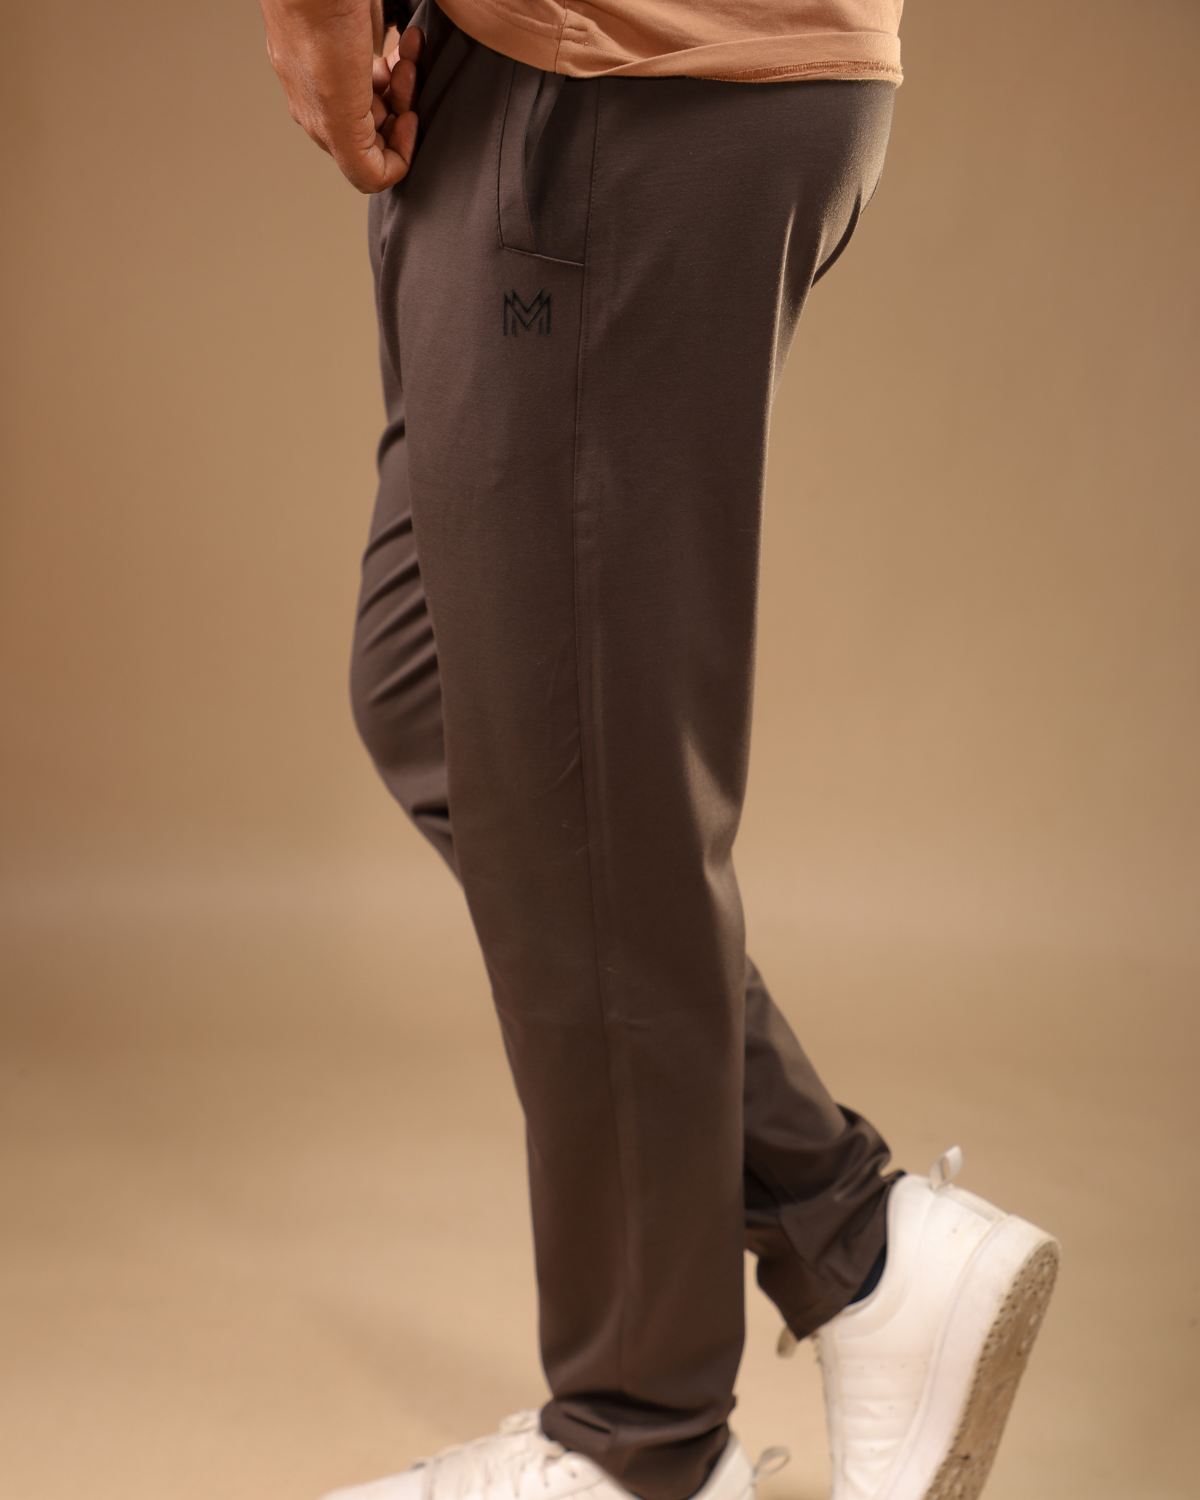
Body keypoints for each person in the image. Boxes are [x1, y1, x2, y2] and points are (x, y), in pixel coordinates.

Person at [256, 3, 1060, 1498]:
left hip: (606, 73)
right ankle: (853, 1239)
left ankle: (642, 1442)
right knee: (442, 695)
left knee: (574, 783)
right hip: (595, 70)